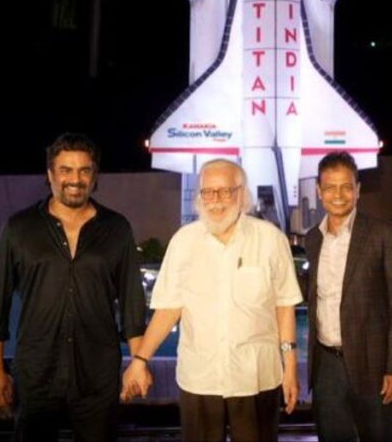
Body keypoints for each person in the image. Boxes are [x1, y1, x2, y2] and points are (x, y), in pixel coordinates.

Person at [120, 159, 303, 442]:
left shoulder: (270, 239)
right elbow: (168, 309)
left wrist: (290, 368)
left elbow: (284, 305)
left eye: (225, 191)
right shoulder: (183, 242)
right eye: (208, 192)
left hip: (256, 377)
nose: (216, 200)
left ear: (241, 194)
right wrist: (140, 360)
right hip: (200, 378)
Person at [0, 133, 147, 442]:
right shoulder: (18, 228)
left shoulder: (117, 228)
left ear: (94, 176)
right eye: (66, 170)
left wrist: (139, 363)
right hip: (36, 375)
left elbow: (132, 305)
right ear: (50, 175)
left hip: (97, 377)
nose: (75, 179)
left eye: (84, 170)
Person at [305, 151, 392, 442]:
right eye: (330, 187)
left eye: (346, 186)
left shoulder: (384, 234)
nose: (338, 195)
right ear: (319, 191)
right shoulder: (313, 239)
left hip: (375, 365)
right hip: (326, 366)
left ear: (358, 189)